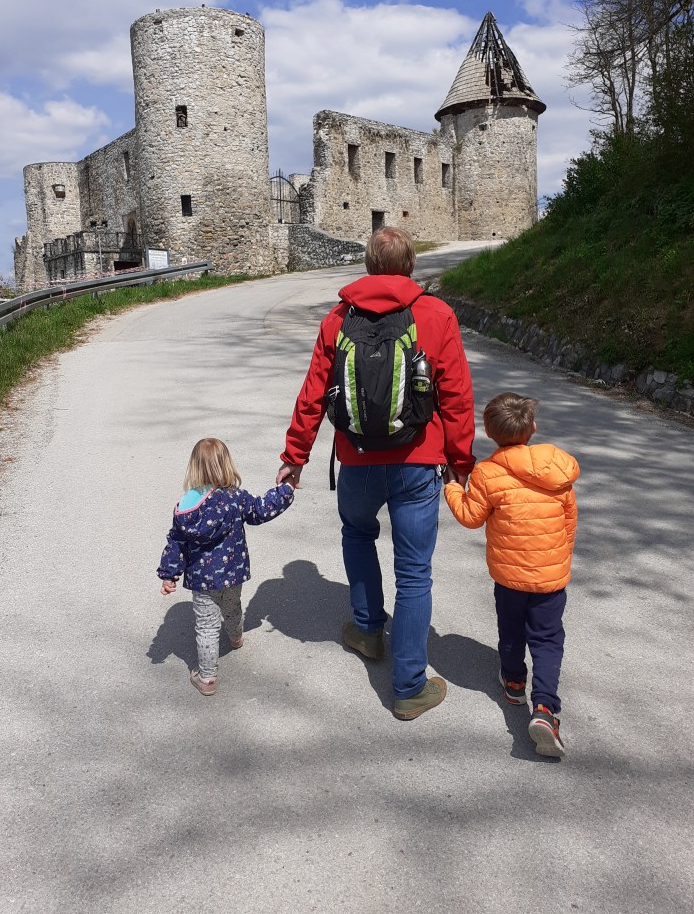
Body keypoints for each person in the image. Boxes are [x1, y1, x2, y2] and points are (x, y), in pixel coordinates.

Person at [277, 227, 476, 720]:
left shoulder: (337, 319)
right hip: (417, 463)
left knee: (358, 534)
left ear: (368, 266)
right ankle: (408, 688)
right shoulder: (436, 315)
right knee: (414, 571)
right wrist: (461, 462)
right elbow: (456, 397)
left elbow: (313, 395)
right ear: (410, 265)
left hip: (358, 461)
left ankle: (367, 630)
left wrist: (294, 457)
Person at [442, 393, 579, 757]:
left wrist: (453, 487)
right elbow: (569, 520)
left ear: (489, 432)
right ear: (533, 428)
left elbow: (471, 517)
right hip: (550, 577)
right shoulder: (558, 469)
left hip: (509, 578)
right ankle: (546, 708)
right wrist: (561, 557)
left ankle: (515, 682)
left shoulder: (488, 473)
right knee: (548, 639)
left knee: (511, 630)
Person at [158, 437, 294, 695]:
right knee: (232, 606)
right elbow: (260, 510)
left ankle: (207, 678)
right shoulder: (236, 498)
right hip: (233, 574)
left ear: (194, 468)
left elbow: (176, 543)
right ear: (226, 465)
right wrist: (285, 491)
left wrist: (169, 575)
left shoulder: (186, 506)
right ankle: (235, 637)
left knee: (207, 626)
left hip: (202, 580)